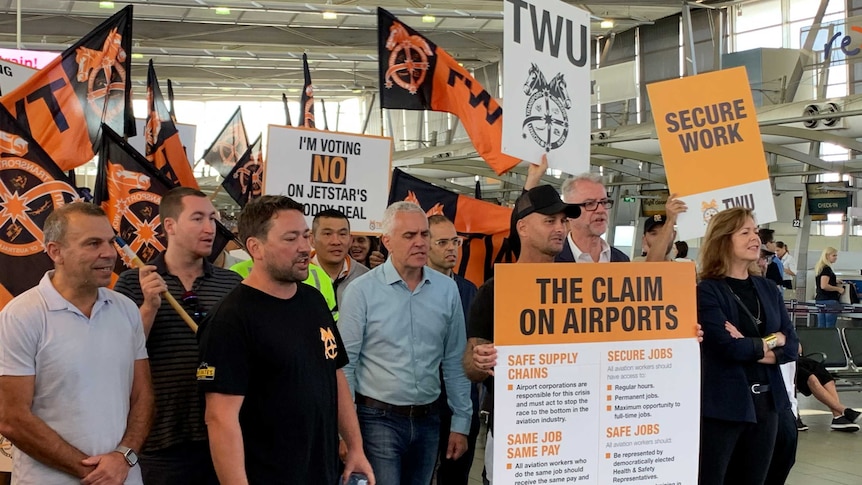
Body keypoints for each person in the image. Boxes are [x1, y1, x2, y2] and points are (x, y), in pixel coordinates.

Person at [197, 195, 374, 485]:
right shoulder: (231, 320)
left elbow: (335, 374)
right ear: (256, 247)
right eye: (291, 238)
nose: (305, 248)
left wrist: (354, 446)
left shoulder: (314, 300)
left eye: (305, 236)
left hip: (322, 472)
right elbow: (220, 419)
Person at [0, 202, 154, 484]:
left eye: (110, 242)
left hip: (123, 476)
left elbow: (142, 395)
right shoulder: (21, 316)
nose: (109, 253)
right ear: (55, 251)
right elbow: (12, 418)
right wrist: (92, 473)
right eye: (93, 244)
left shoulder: (126, 310)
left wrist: (124, 458)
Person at [113, 187, 243, 484]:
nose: (210, 228)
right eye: (198, 219)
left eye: (213, 218)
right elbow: (120, 355)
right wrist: (149, 307)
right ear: (169, 226)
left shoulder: (231, 283)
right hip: (160, 436)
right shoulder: (134, 281)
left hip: (222, 431)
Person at [339, 201, 472, 485]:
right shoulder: (361, 291)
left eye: (424, 234)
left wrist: (461, 422)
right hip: (376, 418)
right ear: (387, 241)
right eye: (409, 236)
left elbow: (454, 358)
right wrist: (346, 433)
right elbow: (345, 365)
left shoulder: (447, 289)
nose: (420, 242)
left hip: (429, 419)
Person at [464, 185, 582, 485]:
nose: (560, 228)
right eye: (550, 220)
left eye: (563, 221)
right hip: (515, 431)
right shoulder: (494, 291)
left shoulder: (581, 287)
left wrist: (677, 340)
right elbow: (470, 365)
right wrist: (478, 361)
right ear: (523, 227)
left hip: (572, 429)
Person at [697, 207, 798, 485]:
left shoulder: (767, 289)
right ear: (723, 239)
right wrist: (771, 340)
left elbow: (792, 347)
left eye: (755, 231)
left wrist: (752, 344)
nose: (755, 238)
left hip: (768, 404)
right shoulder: (707, 290)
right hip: (725, 406)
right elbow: (727, 347)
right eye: (745, 232)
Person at [426, 215, 480, 485]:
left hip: (462, 404)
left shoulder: (471, 291)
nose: (451, 248)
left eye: (455, 241)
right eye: (443, 242)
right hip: (424, 403)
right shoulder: (414, 290)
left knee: (455, 477)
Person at [311, 209, 370, 304]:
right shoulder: (298, 276)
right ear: (312, 240)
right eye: (327, 234)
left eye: (342, 234)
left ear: (350, 240)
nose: (336, 241)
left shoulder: (366, 277)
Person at [796, 350, 861, 431]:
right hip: (782, 361)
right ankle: (843, 410)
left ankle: (838, 416)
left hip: (797, 358)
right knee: (812, 379)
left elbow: (798, 349)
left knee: (827, 378)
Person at [814, 247, 844, 328]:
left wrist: (834, 280)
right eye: (834, 255)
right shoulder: (827, 269)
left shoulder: (820, 268)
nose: (836, 258)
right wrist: (839, 289)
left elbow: (823, 281)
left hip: (820, 300)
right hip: (829, 300)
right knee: (830, 326)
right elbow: (824, 286)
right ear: (827, 256)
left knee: (821, 326)